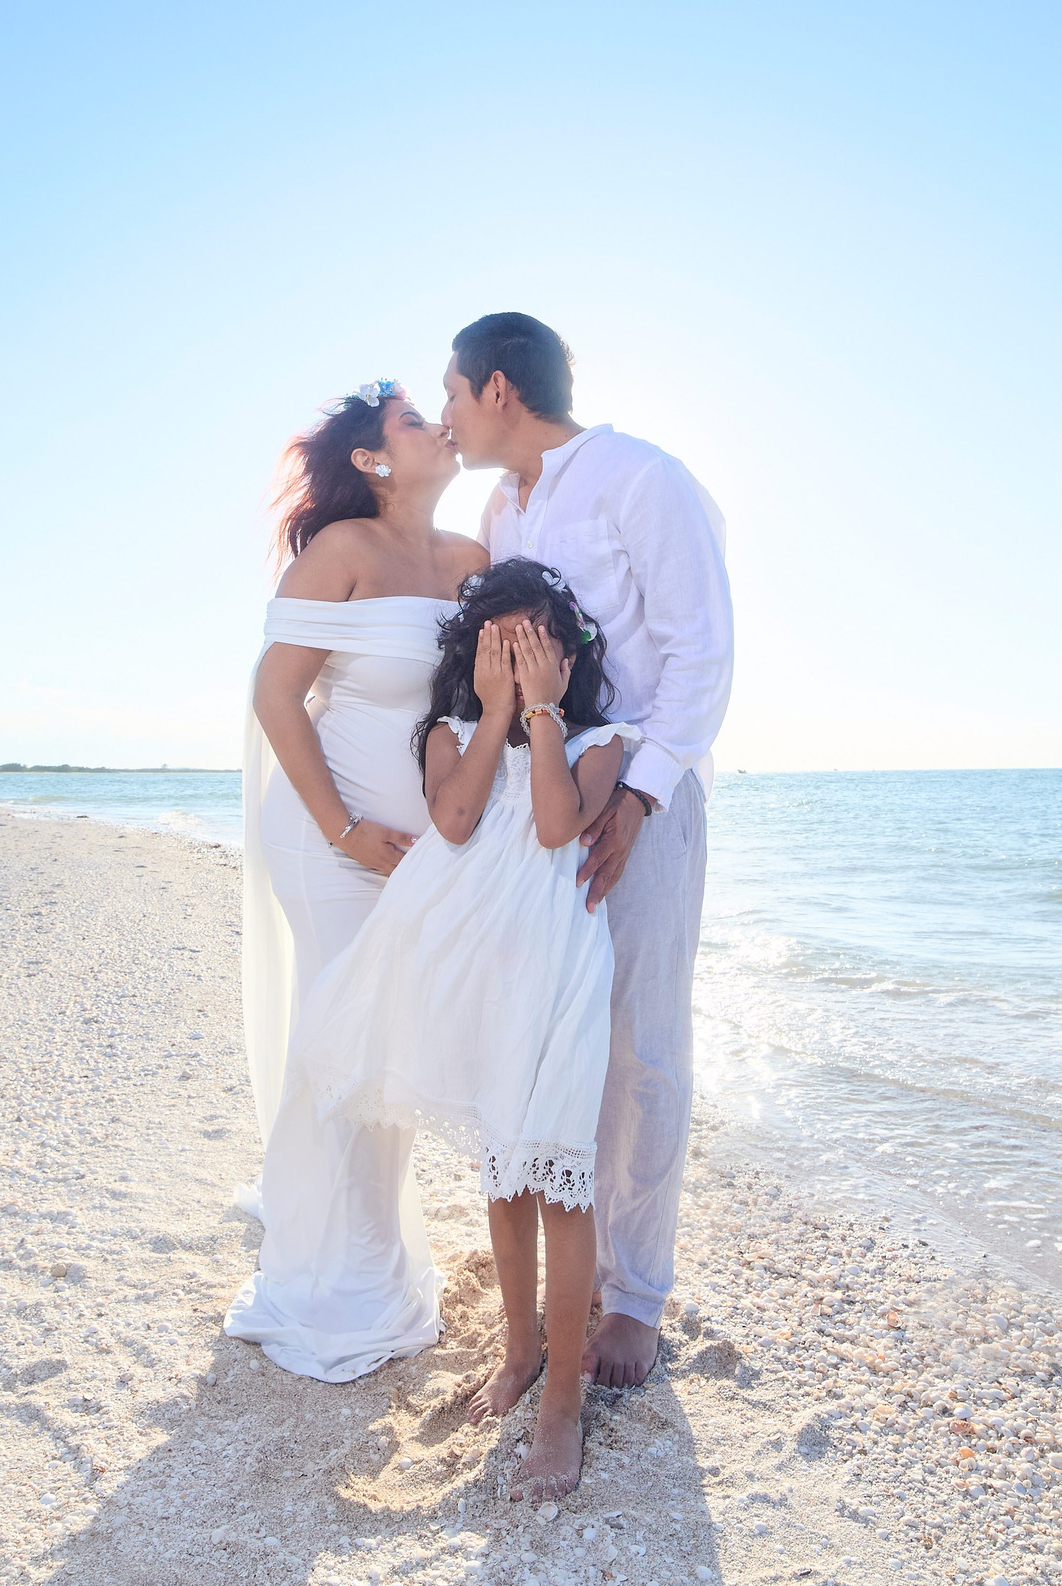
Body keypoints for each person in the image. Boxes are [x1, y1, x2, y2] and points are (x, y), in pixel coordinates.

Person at [300, 559, 637, 1502]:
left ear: (569, 656)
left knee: (558, 1171)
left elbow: (554, 827)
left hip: (560, 974)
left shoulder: (601, 743)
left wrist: (544, 713)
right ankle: (520, 1349)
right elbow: (453, 822)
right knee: (503, 1169)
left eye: (539, 646)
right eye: (504, 648)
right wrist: (494, 714)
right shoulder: (452, 735)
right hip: (485, 980)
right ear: (475, 657)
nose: (523, 664)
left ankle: (562, 1397)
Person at [441, 314, 733, 1389]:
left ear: (499, 389)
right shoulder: (499, 509)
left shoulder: (640, 478)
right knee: (553, 1038)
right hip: (544, 809)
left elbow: (703, 654)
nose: (446, 415)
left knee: (641, 1044)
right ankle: (572, 1265)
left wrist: (642, 795)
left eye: (452, 393)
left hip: (643, 792)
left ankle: (635, 1295)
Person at [223, 380, 489, 1382]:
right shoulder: (342, 551)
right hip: (322, 834)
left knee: (393, 1039)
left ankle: (363, 1252)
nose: (439, 426)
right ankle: (336, 1283)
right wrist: (343, 829)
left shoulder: (470, 560)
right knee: (347, 1040)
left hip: (420, 850)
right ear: (373, 460)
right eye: (413, 421)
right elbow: (275, 695)